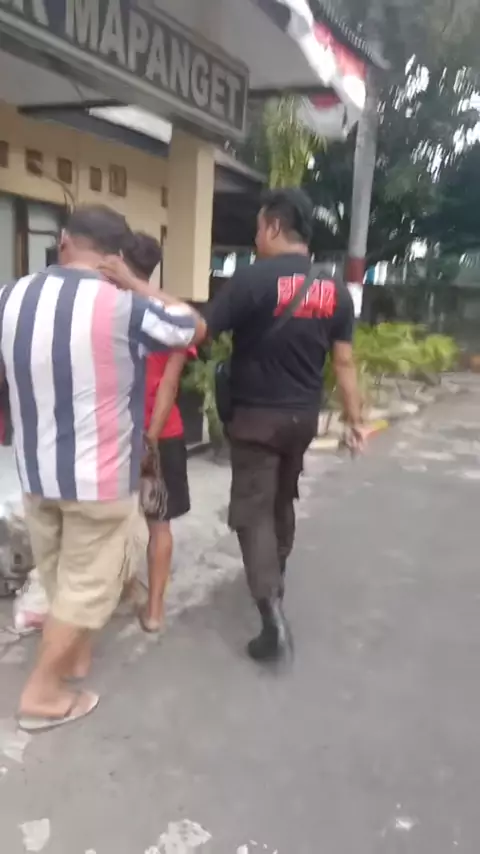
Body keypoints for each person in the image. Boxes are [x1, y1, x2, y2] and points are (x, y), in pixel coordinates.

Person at [0, 205, 206, 731]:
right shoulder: (121, 305)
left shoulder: (11, 296)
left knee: (59, 576)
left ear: (64, 241)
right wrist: (135, 282)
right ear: (115, 255)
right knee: (88, 586)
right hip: (100, 478)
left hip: (36, 473)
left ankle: (74, 659)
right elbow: (192, 326)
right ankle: (42, 694)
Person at [206, 188, 364, 664]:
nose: (256, 238)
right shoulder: (335, 290)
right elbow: (344, 363)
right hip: (302, 420)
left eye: (259, 229)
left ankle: (271, 615)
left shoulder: (252, 279)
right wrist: (355, 421)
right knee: (281, 499)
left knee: (251, 511)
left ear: (274, 226)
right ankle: (276, 574)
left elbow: (203, 330)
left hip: (256, 419)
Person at [119, 232, 194, 633]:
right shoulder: (171, 317)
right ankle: (154, 611)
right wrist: (152, 436)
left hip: (116, 432)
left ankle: (121, 590)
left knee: (109, 520)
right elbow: (169, 385)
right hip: (163, 434)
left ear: (119, 259)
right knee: (159, 524)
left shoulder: (112, 310)